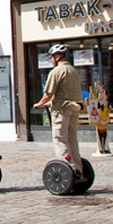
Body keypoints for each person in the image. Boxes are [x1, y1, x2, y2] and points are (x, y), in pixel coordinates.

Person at [33, 44, 85, 180]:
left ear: (57, 57)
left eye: (51, 57)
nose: (50, 60)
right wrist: (51, 102)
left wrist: (39, 104)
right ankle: (78, 167)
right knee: (72, 138)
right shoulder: (75, 71)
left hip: (61, 111)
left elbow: (48, 94)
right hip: (74, 109)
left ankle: (68, 167)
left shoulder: (56, 72)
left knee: (60, 139)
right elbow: (66, 93)